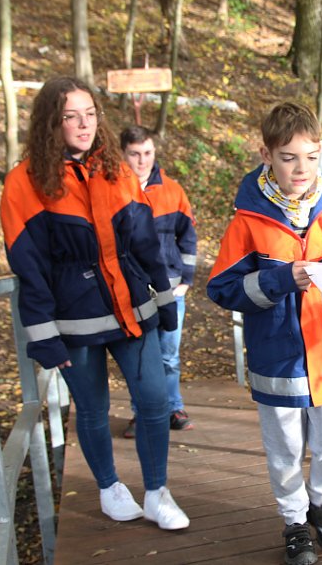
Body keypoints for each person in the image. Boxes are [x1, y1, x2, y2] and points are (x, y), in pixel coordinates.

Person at [0, 76, 189, 530]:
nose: (84, 124)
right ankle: (108, 487)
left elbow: (146, 243)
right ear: (52, 121)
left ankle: (158, 492)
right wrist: (43, 335)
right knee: (91, 409)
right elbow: (31, 268)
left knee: (154, 401)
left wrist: (164, 298)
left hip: (132, 308)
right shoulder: (23, 182)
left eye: (90, 114)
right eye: (71, 116)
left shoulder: (116, 169)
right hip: (74, 319)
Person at [207, 102, 322, 565]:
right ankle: (295, 520)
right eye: (288, 157)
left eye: (311, 156)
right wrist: (282, 279)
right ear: (266, 154)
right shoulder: (249, 221)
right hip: (277, 355)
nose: (301, 168)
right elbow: (221, 289)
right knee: (284, 449)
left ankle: (321, 500)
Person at [120, 125, 198, 439]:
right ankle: (143, 413)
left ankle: (173, 408)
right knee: (140, 355)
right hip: (130, 290)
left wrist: (186, 281)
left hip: (170, 287)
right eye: (135, 154)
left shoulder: (172, 190)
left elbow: (188, 237)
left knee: (168, 354)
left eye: (148, 153)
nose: (142, 161)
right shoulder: (113, 190)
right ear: (123, 154)